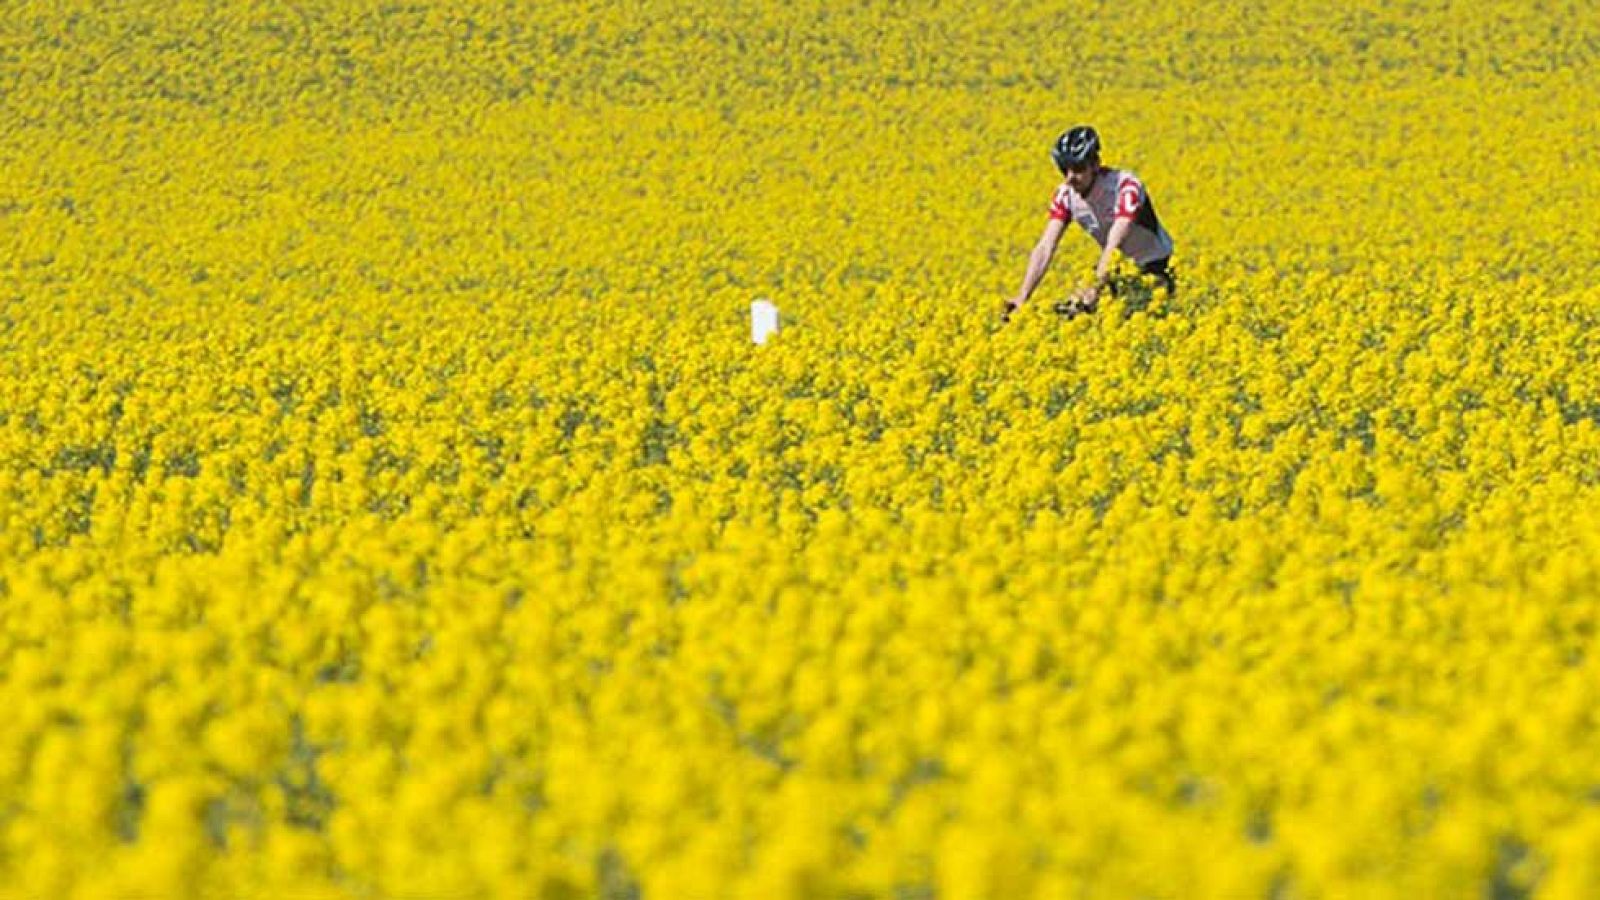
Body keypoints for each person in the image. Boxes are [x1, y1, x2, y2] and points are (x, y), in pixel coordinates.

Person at [1002, 126, 1175, 322]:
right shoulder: (1065, 195)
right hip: (1116, 267)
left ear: (1095, 164)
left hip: (1154, 265)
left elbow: (1115, 242)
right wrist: (1022, 297)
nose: (1070, 177)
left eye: (1077, 169)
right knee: (1071, 314)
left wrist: (1096, 286)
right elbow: (1045, 246)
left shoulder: (1125, 186)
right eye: (1064, 169)